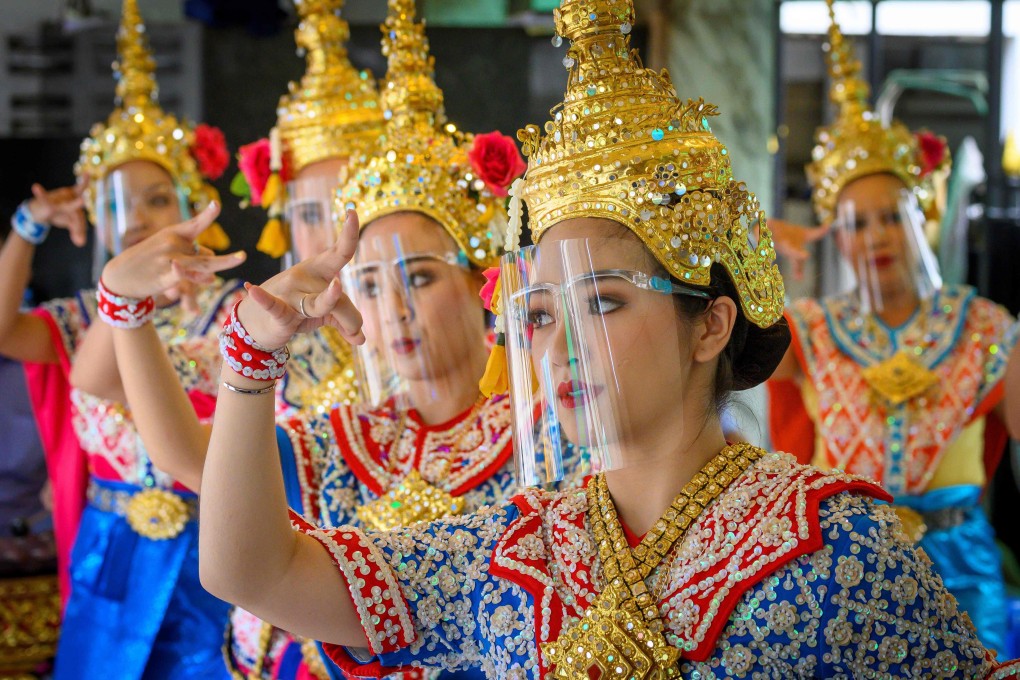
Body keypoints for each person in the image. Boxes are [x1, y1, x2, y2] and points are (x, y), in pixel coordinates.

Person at [173, 0, 1020, 675]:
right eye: (539, 315)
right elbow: (255, 574)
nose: (558, 348)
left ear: (711, 323)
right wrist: (252, 357)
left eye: (604, 302)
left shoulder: (834, 545)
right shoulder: (513, 548)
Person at [101, 0, 561, 677]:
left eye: (422, 278)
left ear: (482, 281)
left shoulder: (546, 429)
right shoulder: (352, 438)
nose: (395, 309)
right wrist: (125, 306)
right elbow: (188, 457)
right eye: (370, 285)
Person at [767, 0, 1020, 653]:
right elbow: (714, 347)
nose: (875, 236)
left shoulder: (987, 328)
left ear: (920, 217)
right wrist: (752, 244)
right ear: (835, 235)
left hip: (961, 568)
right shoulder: (810, 330)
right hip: (841, 572)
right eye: (856, 222)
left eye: (890, 217)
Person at [0, 1, 244, 677]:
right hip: (112, 540)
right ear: (97, 224)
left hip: (211, 545)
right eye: (117, 205)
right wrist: (29, 225)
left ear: (192, 208)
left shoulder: (239, 313)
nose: (138, 218)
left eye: (159, 200)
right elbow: (11, 335)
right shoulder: (83, 318)